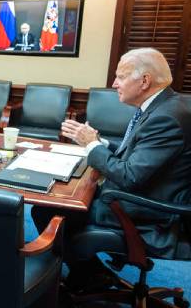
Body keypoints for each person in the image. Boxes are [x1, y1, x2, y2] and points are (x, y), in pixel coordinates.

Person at [32, 47, 191, 288]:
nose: (114, 83)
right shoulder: (167, 105)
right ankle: (90, 272)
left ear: (145, 81)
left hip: (148, 212)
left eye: (121, 76)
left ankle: (88, 274)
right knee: (58, 200)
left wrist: (93, 146)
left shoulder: (165, 118)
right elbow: (139, 153)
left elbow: (130, 176)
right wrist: (102, 143)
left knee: (48, 209)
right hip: (150, 195)